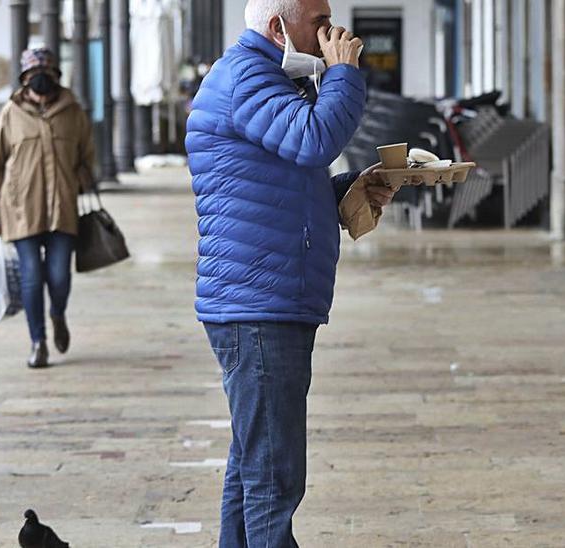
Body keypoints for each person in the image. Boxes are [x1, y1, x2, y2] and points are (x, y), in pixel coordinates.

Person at [186, 1, 397, 545]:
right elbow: (312, 141)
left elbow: (284, 185)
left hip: (269, 295)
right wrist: (344, 72)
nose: (332, 31)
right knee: (274, 478)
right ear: (278, 27)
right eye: (318, 21)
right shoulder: (247, 75)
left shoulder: (270, 77)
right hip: (256, 304)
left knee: (254, 463)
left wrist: (350, 188)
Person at [0, 48, 96, 369]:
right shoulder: (10, 113)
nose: (40, 79)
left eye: (45, 72)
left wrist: (79, 179)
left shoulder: (73, 111)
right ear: (24, 78)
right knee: (32, 278)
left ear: (56, 75)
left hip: (63, 208)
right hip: (20, 210)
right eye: (33, 74)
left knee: (59, 277)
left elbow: (88, 155)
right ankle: (38, 342)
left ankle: (57, 314)